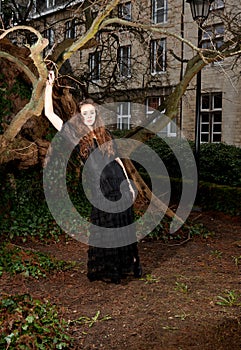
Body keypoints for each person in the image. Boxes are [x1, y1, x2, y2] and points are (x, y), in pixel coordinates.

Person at [45, 71, 142, 284]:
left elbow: (117, 160)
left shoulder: (104, 133)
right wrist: (49, 87)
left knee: (123, 224)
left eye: (91, 112)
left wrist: (130, 184)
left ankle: (130, 261)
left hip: (119, 182)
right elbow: (50, 114)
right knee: (107, 227)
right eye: (84, 113)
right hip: (101, 188)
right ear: (80, 116)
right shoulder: (75, 134)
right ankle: (110, 268)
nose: (88, 116)